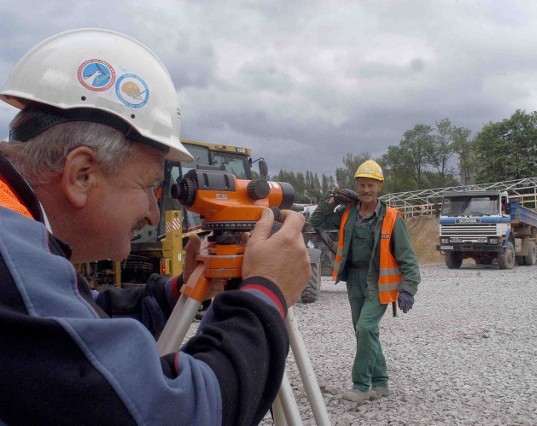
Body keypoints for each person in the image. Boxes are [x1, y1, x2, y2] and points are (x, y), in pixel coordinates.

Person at [0, 29, 311, 425]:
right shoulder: (9, 259)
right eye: (148, 187)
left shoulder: (15, 243)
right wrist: (267, 293)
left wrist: (176, 292)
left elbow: (71, 333)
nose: (152, 212)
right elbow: (176, 413)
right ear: (81, 175)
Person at [310, 160, 421, 402]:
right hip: (354, 279)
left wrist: (409, 287)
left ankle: (360, 387)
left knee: (366, 327)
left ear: (379, 186)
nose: (365, 190)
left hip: (379, 283)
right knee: (364, 333)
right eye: (361, 185)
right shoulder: (347, 213)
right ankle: (380, 384)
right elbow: (316, 221)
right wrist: (332, 201)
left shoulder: (392, 218)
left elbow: (408, 257)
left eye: (370, 185)